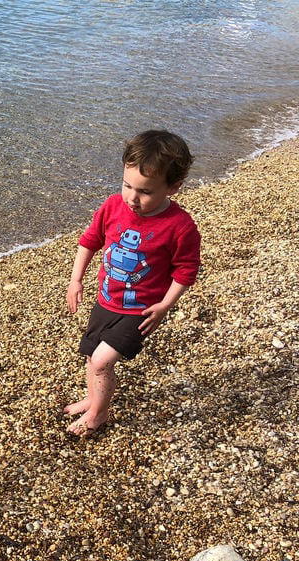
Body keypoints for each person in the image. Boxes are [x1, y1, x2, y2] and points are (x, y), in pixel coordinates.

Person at [65, 130, 201, 436]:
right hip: (105, 300)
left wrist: (166, 304)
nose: (133, 198)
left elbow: (186, 270)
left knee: (101, 361)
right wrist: (76, 280)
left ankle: (98, 415)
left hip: (140, 311)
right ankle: (92, 398)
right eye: (127, 185)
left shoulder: (179, 227)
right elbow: (89, 241)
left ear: (173, 187)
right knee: (91, 355)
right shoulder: (114, 206)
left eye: (145, 191)